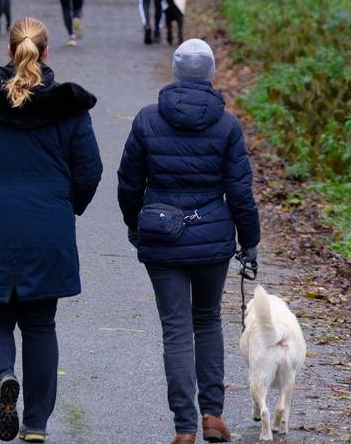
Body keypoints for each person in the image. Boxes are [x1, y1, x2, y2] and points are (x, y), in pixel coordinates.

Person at [0, 17, 103, 443]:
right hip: (46, 227)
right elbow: (89, 170)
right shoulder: (68, 107)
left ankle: (1, 379)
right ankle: (35, 424)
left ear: (8, 51)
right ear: (45, 52)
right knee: (40, 323)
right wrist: (66, 208)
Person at [116, 39, 260, 444]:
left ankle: (184, 427)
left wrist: (134, 224)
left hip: (162, 237)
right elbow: (241, 192)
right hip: (212, 236)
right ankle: (213, 415)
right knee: (207, 320)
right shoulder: (227, 125)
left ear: (176, 72)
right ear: (210, 74)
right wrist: (250, 241)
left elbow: (129, 182)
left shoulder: (147, 120)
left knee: (176, 329)